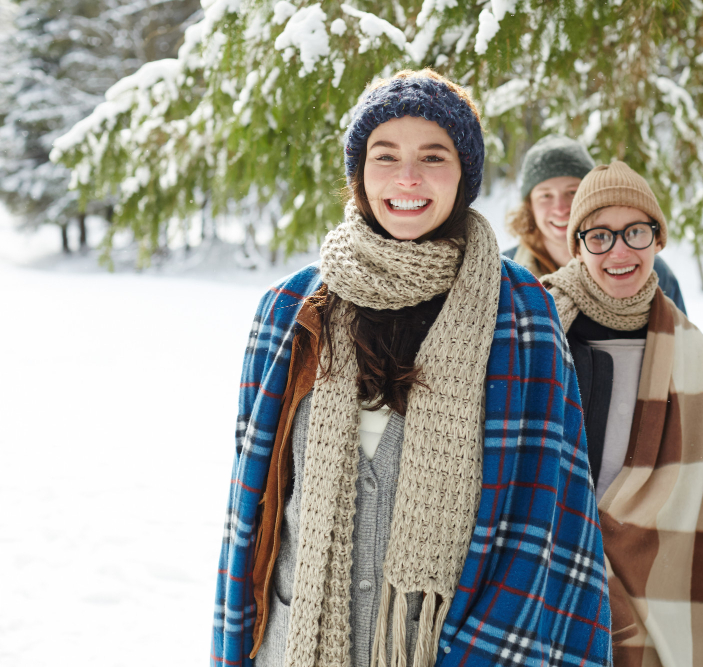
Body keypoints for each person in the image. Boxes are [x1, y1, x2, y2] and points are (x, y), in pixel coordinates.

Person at [211, 69, 611, 667]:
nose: (407, 178)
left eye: (433, 156)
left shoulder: (522, 313)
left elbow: (546, 510)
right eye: (385, 155)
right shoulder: (291, 311)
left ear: (464, 176)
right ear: (359, 174)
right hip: (299, 641)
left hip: (465, 645)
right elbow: (256, 509)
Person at [540, 161, 703, 667]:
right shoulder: (536, 332)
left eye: (635, 231)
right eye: (599, 235)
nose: (619, 251)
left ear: (658, 239)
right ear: (577, 246)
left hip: (657, 606)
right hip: (550, 591)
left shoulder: (693, 353)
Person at [502, 134, 687, 313]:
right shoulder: (503, 273)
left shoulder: (650, 272)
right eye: (546, 195)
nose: (560, 208)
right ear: (530, 205)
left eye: (572, 192)